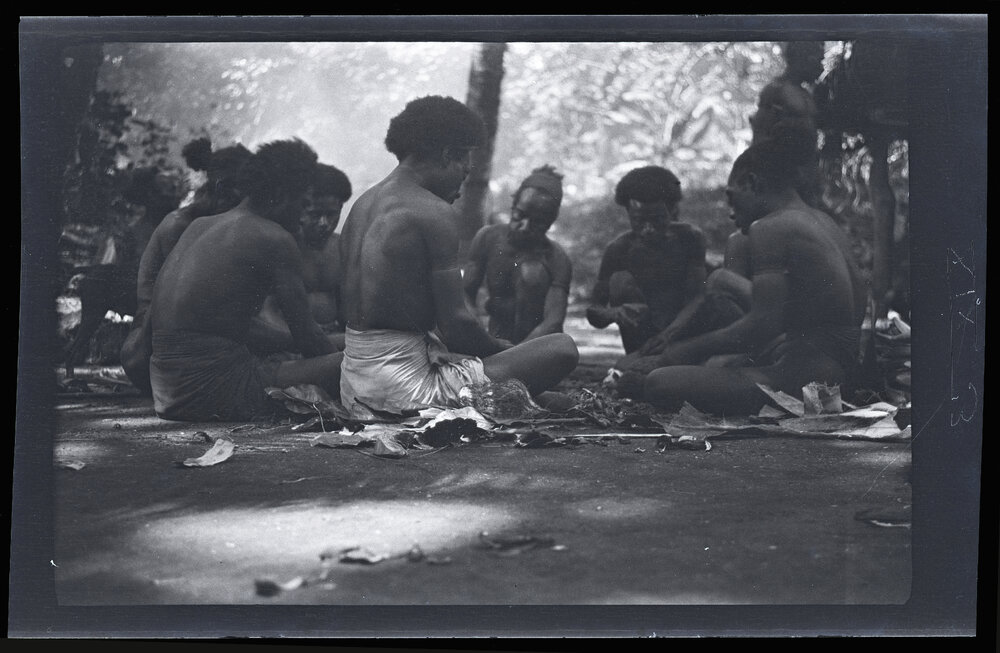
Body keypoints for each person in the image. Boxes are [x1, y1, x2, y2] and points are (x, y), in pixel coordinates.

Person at [338, 96, 578, 419]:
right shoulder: (434, 212)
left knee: (536, 386)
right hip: (408, 393)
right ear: (448, 154)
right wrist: (509, 351)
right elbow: (457, 327)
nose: (464, 177)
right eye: (464, 165)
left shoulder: (361, 205)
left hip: (353, 390)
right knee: (562, 348)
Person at [620, 137, 866, 415]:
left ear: (751, 182)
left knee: (659, 383)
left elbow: (762, 325)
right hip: (840, 370)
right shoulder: (823, 221)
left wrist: (673, 353)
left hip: (809, 382)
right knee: (717, 365)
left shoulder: (771, 227)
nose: (729, 210)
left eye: (731, 196)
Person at [147, 139, 342, 421]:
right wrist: (347, 358)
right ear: (284, 195)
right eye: (304, 203)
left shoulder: (200, 226)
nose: (302, 215)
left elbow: (224, 328)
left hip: (167, 392)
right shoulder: (274, 238)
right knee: (358, 364)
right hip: (211, 390)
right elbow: (309, 339)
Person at [120, 137, 252, 395]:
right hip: (152, 357)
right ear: (226, 190)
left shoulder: (218, 223)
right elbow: (189, 312)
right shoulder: (179, 226)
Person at [64, 164, 180, 380]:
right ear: (148, 197)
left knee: (87, 330)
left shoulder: (144, 228)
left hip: (126, 284)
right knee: (88, 330)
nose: (166, 199)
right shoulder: (145, 229)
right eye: (159, 194)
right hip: (132, 288)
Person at [585, 165, 707, 354]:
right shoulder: (619, 249)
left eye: (657, 220)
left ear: (673, 212)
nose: (648, 229)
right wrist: (614, 313)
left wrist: (669, 335)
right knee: (620, 281)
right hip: (643, 341)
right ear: (628, 213)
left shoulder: (689, 239)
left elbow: (698, 297)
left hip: (682, 333)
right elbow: (594, 311)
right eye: (639, 221)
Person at [462, 165, 572, 343]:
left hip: (530, 349)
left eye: (538, 222)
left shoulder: (557, 258)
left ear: (550, 223)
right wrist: (479, 336)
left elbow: (553, 322)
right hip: (491, 338)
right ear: (513, 207)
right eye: (520, 215)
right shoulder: (488, 238)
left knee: (532, 272)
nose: (525, 227)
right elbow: (465, 293)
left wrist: (516, 355)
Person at [254, 162, 353, 350]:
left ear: (341, 207)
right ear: (300, 207)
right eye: (315, 214)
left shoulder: (343, 246)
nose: (324, 223)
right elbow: (266, 311)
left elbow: (346, 308)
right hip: (285, 340)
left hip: (334, 338)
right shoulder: (281, 245)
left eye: (331, 214)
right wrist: (303, 342)